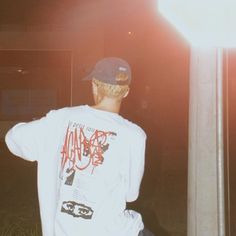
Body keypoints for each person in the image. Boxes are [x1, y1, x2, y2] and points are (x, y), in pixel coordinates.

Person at [5, 57, 153, 236]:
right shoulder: (135, 135)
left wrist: (43, 130)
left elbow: (13, 138)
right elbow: (131, 195)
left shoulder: (59, 120)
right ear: (126, 92)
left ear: (94, 86)